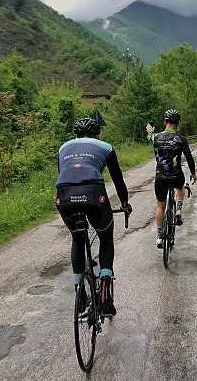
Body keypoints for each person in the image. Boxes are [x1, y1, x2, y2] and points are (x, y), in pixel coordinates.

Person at [56, 117, 132, 317]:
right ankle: (105, 296)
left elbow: (64, 174)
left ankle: (79, 294)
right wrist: (124, 203)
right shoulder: (105, 146)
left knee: (77, 238)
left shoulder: (64, 148)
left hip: (64, 196)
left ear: (76, 135)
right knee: (106, 238)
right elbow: (118, 179)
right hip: (93, 194)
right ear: (97, 134)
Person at [146, 109, 197, 248]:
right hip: (176, 175)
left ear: (165, 122)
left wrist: (150, 131)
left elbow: (149, 136)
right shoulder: (181, 139)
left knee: (160, 206)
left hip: (161, 176)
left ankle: (159, 237)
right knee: (180, 187)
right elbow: (190, 159)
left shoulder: (156, 138)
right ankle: (179, 211)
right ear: (178, 123)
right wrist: (193, 173)